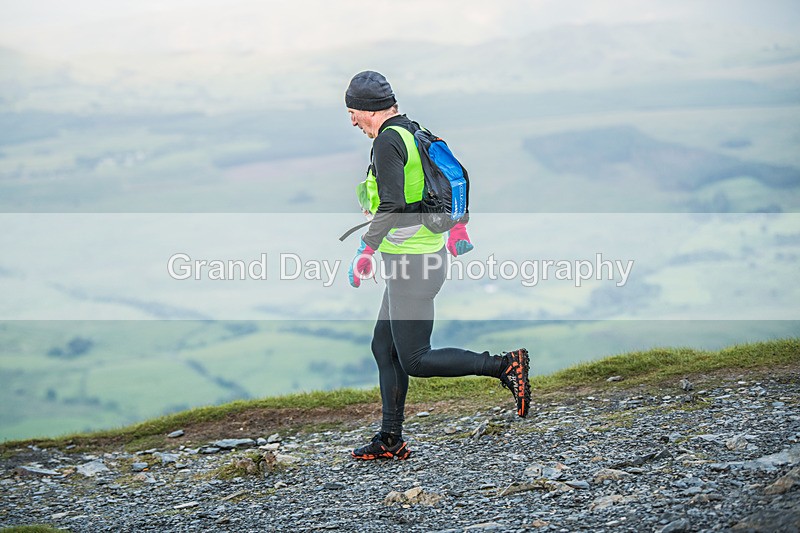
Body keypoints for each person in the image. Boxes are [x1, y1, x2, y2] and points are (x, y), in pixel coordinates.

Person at [344, 70, 530, 460]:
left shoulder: (387, 142)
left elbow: (393, 204)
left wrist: (365, 249)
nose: (352, 121)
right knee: (384, 347)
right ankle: (390, 439)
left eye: (352, 112)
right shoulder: (414, 131)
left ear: (367, 109)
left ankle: (504, 366)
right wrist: (455, 227)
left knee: (415, 358)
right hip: (418, 259)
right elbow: (443, 182)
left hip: (414, 264)